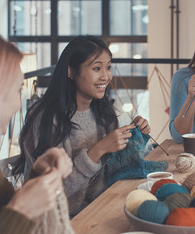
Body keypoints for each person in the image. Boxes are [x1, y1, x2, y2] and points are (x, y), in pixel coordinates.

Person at [14, 35, 151, 217]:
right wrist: (97, 151)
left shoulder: (101, 110)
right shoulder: (45, 118)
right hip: (58, 220)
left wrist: (135, 136)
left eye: (108, 67)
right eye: (96, 68)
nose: (105, 76)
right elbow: (52, 192)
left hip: (99, 208)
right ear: (71, 72)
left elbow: (115, 167)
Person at [0, 29, 73, 233]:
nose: (19, 105)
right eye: (17, 90)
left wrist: (37, 175)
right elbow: (12, 213)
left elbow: (3, 210)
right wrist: (21, 211)